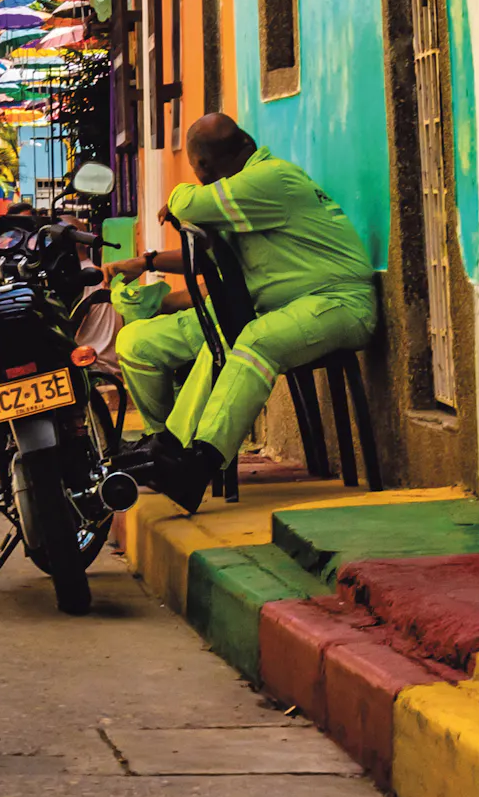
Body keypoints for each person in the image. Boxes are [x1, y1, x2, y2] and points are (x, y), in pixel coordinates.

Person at [104, 113, 376, 513]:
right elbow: (206, 253)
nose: (197, 178)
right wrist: (148, 263)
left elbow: (189, 202)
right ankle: (164, 449)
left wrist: (180, 198)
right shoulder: (243, 193)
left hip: (338, 304)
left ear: (207, 167)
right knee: (139, 343)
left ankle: (198, 464)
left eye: (197, 170)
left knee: (253, 340)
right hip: (275, 306)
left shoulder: (271, 179)